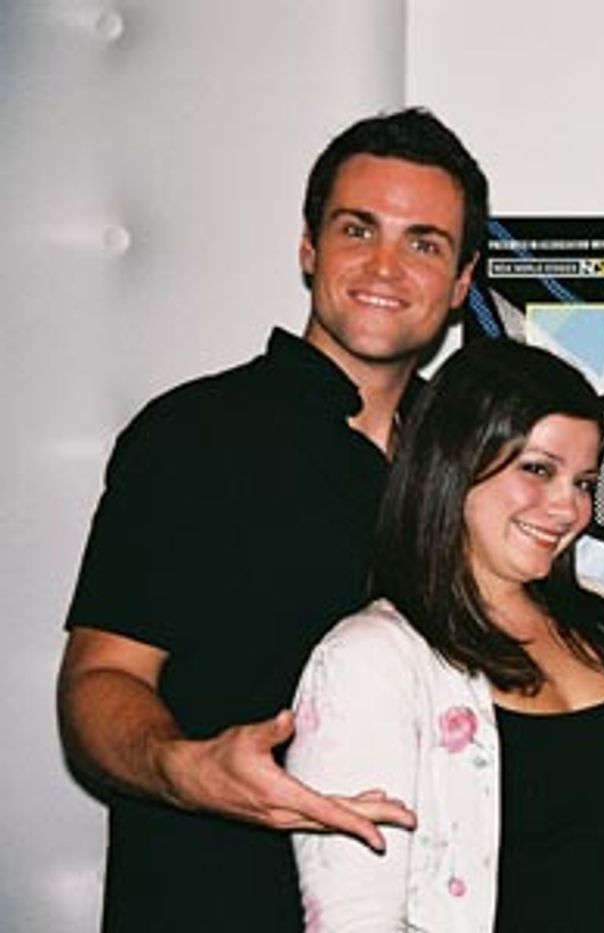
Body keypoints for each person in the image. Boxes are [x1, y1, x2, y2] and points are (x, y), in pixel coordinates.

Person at [57, 108, 488, 932]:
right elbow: (99, 679)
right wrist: (186, 767)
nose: (385, 265)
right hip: (210, 904)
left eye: (425, 243)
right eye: (358, 229)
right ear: (308, 247)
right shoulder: (193, 436)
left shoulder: (480, 466)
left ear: (463, 281)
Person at [286, 339, 604, 932]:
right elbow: (355, 919)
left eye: (584, 482)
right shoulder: (371, 661)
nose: (568, 508)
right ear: (455, 463)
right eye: (538, 470)